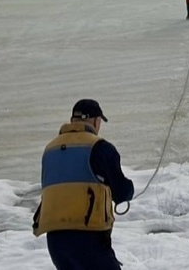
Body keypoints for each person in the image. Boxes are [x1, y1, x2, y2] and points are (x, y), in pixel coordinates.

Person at [33, 99, 134, 270]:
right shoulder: (100, 147)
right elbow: (122, 192)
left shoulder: (50, 150)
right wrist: (129, 189)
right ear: (95, 121)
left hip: (55, 241)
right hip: (88, 237)